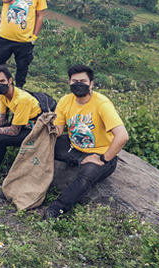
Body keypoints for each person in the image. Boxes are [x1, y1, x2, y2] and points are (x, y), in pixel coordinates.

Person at [44, 64, 128, 220]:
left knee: (86, 176)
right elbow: (59, 131)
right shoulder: (65, 101)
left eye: (82, 80)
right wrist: (45, 124)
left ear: (91, 84)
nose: (78, 84)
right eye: (74, 81)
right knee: (39, 147)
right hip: (73, 148)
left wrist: (103, 158)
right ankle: (23, 186)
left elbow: (122, 136)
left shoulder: (101, 103)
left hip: (100, 152)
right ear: (69, 83)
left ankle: (56, 209)